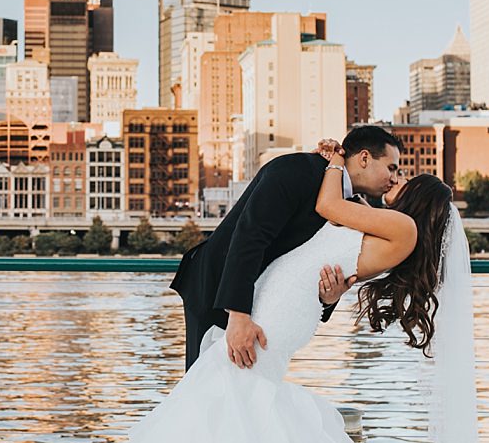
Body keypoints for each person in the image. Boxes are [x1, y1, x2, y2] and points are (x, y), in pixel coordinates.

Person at [79, 139, 480, 443]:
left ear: (420, 201)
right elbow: (333, 268)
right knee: (242, 419)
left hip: (277, 313)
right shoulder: (382, 220)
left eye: (404, 178)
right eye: (395, 169)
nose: (396, 178)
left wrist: (332, 163)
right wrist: (328, 294)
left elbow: (326, 207)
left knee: (238, 415)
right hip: (279, 300)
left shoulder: (400, 226)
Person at [169, 125, 404, 373]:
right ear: (364, 158)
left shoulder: (349, 205)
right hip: (215, 288)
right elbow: (251, 235)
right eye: (391, 168)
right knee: (204, 385)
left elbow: (305, 261)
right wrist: (238, 315)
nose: (395, 179)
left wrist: (328, 299)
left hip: (263, 300)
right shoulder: (297, 170)